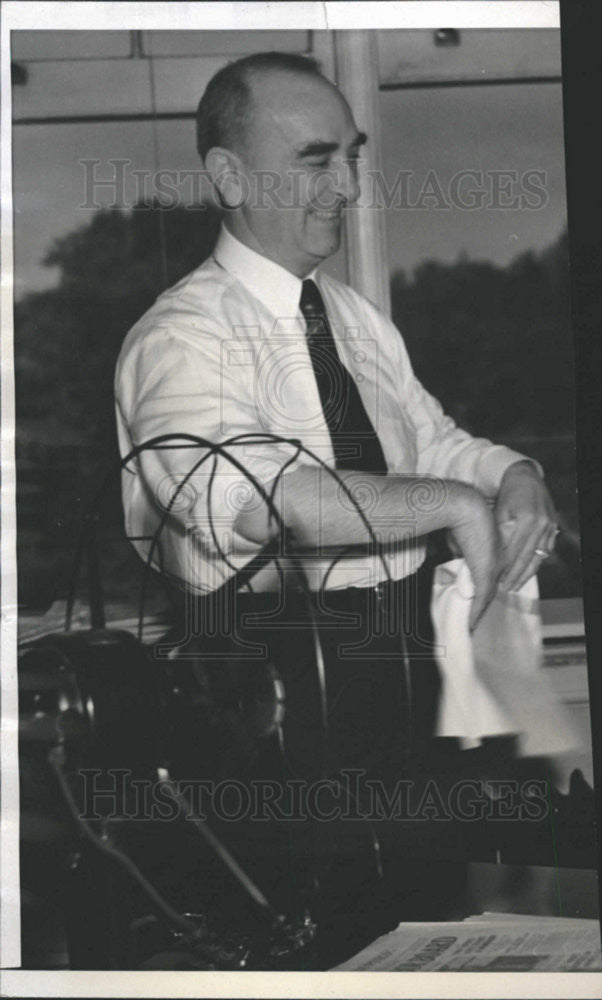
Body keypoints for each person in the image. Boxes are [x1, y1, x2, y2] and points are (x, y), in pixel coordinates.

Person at [114, 52, 560, 913]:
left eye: (352, 155)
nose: (348, 184)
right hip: (279, 704)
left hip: (406, 680)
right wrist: (450, 505)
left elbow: (433, 440)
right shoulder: (177, 338)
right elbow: (249, 499)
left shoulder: (354, 318)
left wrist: (513, 476)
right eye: (317, 159)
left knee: (436, 922)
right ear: (229, 175)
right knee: (325, 938)